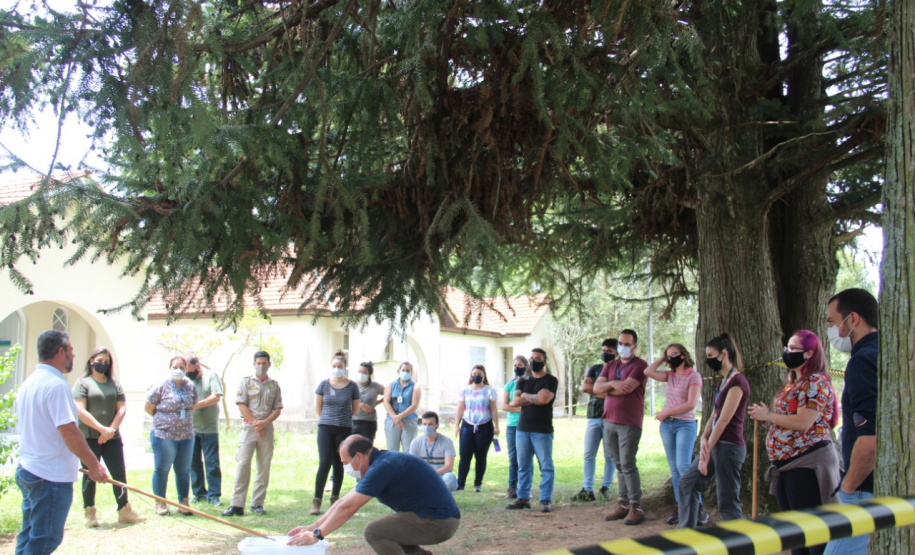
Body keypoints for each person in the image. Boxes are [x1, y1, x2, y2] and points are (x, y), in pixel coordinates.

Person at [15, 330, 109, 554]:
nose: (74, 355)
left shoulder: (29, 382)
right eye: (71, 350)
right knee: (44, 539)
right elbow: (69, 432)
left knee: (29, 536)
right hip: (49, 476)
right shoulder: (56, 385)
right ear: (60, 352)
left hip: (30, 469)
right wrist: (94, 465)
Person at [749, 330, 840, 555]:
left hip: (806, 463)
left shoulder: (815, 381)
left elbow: (803, 422)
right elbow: (787, 422)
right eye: (787, 347)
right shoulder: (792, 383)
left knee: (812, 531)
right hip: (785, 466)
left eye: (792, 348)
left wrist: (768, 415)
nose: (787, 352)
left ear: (809, 353)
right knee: (795, 533)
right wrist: (766, 420)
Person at [286, 435, 461, 553]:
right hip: (434, 517)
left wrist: (317, 535)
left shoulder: (382, 467)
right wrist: (312, 527)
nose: (345, 467)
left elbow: (348, 508)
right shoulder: (380, 463)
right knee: (389, 528)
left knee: (375, 532)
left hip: (439, 521)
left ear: (358, 457)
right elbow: (343, 502)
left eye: (345, 462)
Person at [822, 288, 879, 555]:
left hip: (863, 490)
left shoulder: (862, 362)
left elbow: (870, 441)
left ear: (852, 319)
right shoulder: (889, 354)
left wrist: (848, 488)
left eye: (832, 321)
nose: (831, 330)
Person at [678, 333, 750, 528]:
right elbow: (715, 414)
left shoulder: (738, 382)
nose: (708, 360)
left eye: (711, 355)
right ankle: (686, 534)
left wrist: (707, 450)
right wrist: (704, 438)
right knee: (687, 483)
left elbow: (725, 419)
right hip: (715, 444)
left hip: (729, 447)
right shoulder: (723, 381)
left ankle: (741, 540)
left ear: (724, 354)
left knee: (727, 501)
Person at [73, 347, 145, 527]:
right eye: (99, 360)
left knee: (119, 472)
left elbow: (121, 408)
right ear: (91, 361)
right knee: (90, 473)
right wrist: (101, 429)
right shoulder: (82, 383)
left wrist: (110, 430)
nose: (102, 364)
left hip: (112, 438)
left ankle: (124, 511)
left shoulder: (114, 384)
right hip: (90, 436)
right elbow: (80, 410)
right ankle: (89, 513)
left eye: (106, 361)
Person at [590, 329, 649, 525]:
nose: (622, 347)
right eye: (620, 344)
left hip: (629, 422)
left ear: (634, 346)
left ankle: (636, 506)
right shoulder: (611, 365)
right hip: (609, 421)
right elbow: (596, 389)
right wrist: (614, 383)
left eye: (627, 344)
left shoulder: (640, 365)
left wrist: (607, 388)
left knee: (628, 463)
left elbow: (627, 388)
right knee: (618, 464)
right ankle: (623, 503)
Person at [644, 343, 702, 525]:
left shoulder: (694, 376)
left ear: (683, 355)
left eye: (675, 354)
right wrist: (663, 358)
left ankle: (698, 508)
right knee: (674, 469)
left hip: (685, 424)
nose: (672, 358)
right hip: (667, 425)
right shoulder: (670, 375)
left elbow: (691, 404)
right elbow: (648, 371)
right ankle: (681, 506)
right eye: (669, 355)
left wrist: (667, 412)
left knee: (684, 466)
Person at [222, 351, 284, 517]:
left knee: (264, 467)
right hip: (249, 428)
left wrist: (265, 422)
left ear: (269, 364)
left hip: (267, 429)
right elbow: (241, 404)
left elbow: (278, 408)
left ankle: (257, 504)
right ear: (254, 364)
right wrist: (256, 423)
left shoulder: (274, 385)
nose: (261, 366)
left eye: (264, 363)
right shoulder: (246, 382)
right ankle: (237, 504)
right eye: (258, 363)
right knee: (243, 464)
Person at [145, 355, 198, 516]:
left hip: (186, 435)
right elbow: (148, 407)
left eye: (182, 367)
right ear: (170, 368)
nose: (178, 370)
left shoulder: (190, 386)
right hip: (164, 435)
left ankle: (183, 502)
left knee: (183, 470)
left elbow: (193, 405)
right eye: (175, 367)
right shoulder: (161, 385)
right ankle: (161, 502)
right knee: (162, 469)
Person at [506, 348, 558, 513]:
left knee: (546, 466)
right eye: (532, 358)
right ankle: (523, 498)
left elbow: (544, 400)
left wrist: (525, 396)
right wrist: (533, 397)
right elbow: (515, 402)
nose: (534, 361)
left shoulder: (551, 380)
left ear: (544, 361)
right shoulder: (523, 380)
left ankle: (545, 499)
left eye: (537, 358)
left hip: (542, 430)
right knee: (523, 466)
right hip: (522, 429)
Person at [310, 350, 361, 515]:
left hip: (344, 428)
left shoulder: (352, 386)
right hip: (326, 427)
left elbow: (355, 409)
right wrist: (328, 418)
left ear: (345, 367)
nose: (336, 369)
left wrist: (341, 418)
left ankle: (335, 499)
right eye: (334, 366)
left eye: (339, 366)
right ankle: (316, 501)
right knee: (325, 462)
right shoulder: (323, 385)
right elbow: (318, 408)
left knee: (340, 463)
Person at [574, 339, 618, 502]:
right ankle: (587, 489)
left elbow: (619, 391)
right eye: (604, 350)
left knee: (610, 455)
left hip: (611, 417)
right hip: (593, 416)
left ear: (616, 353)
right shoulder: (595, 368)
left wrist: (599, 390)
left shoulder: (620, 370)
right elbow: (585, 387)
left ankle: (606, 487)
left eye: (609, 351)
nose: (605, 353)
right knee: (588, 454)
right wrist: (606, 391)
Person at [454, 364, 499, 492]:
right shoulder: (465, 390)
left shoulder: (489, 391)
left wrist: (496, 425)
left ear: (484, 376)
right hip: (467, 426)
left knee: (481, 455)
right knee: (465, 455)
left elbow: (493, 409)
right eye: (474, 374)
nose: (476, 376)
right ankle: (460, 483)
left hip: (485, 426)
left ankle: (478, 483)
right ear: (471, 376)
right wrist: (457, 425)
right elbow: (460, 408)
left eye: (479, 374)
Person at [187, 354, 225, 506]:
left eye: (190, 371)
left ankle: (214, 495)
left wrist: (196, 405)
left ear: (198, 366)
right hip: (191, 429)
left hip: (209, 429)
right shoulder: (186, 379)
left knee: (212, 463)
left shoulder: (211, 376)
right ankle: (199, 493)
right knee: (194, 463)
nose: (188, 374)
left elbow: (216, 397)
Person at [501, 355, 529, 499]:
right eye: (515, 366)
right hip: (512, 425)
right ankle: (512, 488)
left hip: (527, 424)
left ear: (526, 366)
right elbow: (505, 405)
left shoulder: (530, 383)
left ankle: (525, 488)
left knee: (525, 458)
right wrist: (520, 408)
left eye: (520, 365)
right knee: (513, 458)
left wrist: (516, 406)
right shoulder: (510, 385)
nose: (517, 368)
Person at [409, 411, 458, 491]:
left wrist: (433, 474)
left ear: (437, 425)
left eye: (430, 424)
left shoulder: (447, 441)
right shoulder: (415, 442)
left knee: (450, 477)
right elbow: (412, 466)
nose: (427, 427)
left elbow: (449, 466)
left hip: (440, 476)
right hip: (422, 477)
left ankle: (444, 496)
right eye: (424, 424)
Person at [382, 361, 421, 452]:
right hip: (392, 420)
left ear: (411, 373)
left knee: (409, 449)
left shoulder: (415, 387)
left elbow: (414, 405)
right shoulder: (390, 385)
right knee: (392, 449)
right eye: (403, 370)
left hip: (409, 420)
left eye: (408, 371)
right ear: (399, 371)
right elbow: (386, 402)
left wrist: (400, 417)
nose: (405, 372)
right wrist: (394, 417)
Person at [352, 361, 385, 441]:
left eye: (364, 373)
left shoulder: (375, 386)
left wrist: (376, 403)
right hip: (353, 421)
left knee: (367, 446)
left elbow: (388, 394)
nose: (361, 374)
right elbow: (346, 400)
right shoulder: (353, 385)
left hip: (369, 422)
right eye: (359, 372)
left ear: (369, 374)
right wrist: (361, 405)